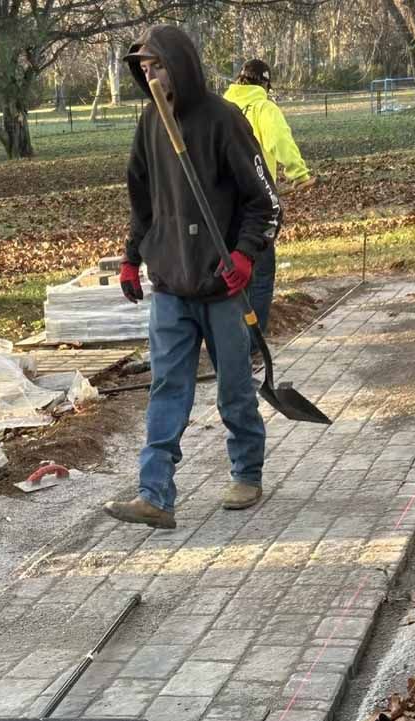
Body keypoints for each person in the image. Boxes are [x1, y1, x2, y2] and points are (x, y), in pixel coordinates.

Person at [103, 25, 283, 531]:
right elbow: (143, 202)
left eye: (156, 65)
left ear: (179, 65)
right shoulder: (149, 124)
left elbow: (265, 202)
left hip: (222, 285)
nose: (149, 75)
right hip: (170, 284)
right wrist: (130, 257)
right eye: (142, 68)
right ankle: (154, 493)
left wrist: (245, 255)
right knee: (167, 387)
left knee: (233, 386)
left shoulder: (223, 120)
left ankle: (247, 471)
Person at [223, 59, 315, 337]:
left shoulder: (220, 107)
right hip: (256, 206)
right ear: (264, 84)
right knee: (260, 273)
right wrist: (299, 173)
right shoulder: (264, 108)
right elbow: (279, 140)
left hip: (223, 207)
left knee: (233, 276)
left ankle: (229, 340)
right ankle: (252, 343)